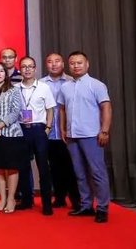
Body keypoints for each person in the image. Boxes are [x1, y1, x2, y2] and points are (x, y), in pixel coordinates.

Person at [58, 51, 112, 223]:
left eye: (79, 63)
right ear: (68, 65)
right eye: (72, 63)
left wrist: (104, 130)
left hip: (91, 135)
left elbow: (106, 108)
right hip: (72, 136)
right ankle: (86, 205)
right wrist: (62, 129)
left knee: (97, 172)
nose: (76, 66)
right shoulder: (65, 87)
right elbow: (62, 109)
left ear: (87, 64)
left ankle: (102, 208)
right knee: (80, 173)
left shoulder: (97, 85)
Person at [0, 62, 26, 214]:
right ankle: (2, 198)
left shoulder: (14, 90)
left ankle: (11, 199)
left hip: (10, 134)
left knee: (11, 167)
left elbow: (16, 112)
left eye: (1, 71)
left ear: (6, 74)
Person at [16, 56, 55, 215]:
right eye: (24, 67)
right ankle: (26, 200)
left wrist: (48, 128)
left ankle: (47, 204)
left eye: (30, 66)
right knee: (23, 167)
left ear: (35, 69)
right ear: (20, 69)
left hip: (39, 129)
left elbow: (50, 109)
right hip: (21, 130)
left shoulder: (44, 87)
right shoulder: (15, 88)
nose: (27, 69)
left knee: (43, 168)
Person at [41, 53, 80, 209]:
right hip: (49, 133)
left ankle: (76, 199)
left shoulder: (72, 81)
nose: (54, 64)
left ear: (63, 64)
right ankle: (59, 197)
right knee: (54, 167)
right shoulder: (41, 84)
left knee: (72, 167)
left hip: (70, 133)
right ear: (46, 65)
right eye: (50, 62)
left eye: (57, 61)